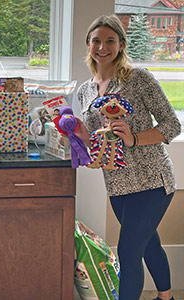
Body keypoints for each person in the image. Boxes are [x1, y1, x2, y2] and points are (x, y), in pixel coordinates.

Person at [76, 15, 181, 300]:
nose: (102, 47)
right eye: (96, 40)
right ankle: (167, 297)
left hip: (152, 181)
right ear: (88, 44)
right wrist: (77, 137)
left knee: (128, 250)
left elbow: (172, 125)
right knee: (147, 244)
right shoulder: (85, 90)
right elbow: (96, 136)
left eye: (110, 40)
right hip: (118, 185)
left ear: (121, 44)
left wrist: (133, 138)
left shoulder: (139, 79)